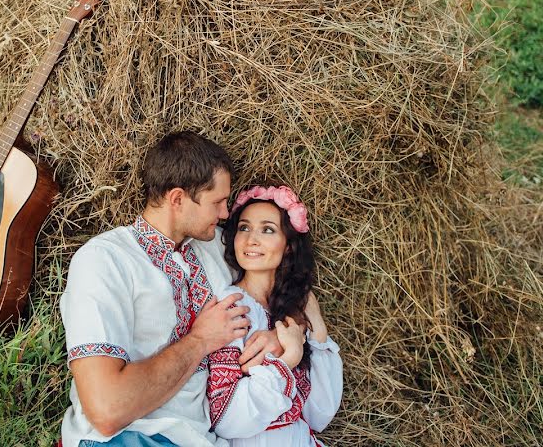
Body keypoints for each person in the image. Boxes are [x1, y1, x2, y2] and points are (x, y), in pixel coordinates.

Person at [60, 132, 282, 447]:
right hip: (128, 438)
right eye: (217, 202)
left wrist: (289, 330)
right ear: (177, 199)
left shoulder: (216, 248)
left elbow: (287, 272)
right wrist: (201, 340)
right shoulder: (105, 260)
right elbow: (106, 409)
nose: (225, 214)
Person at [207, 185, 344, 446]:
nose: (251, 239)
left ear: (289, 246)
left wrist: (316, 327)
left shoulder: (292, 311)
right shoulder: (232, 306)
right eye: (244, 228)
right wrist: (289, 358)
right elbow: (225, 419)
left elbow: (320, 415)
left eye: (267, 229)